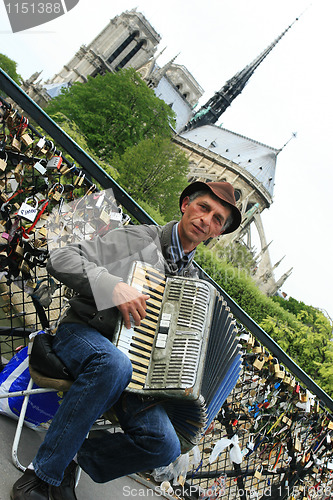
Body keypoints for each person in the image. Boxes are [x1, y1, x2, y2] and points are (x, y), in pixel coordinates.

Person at [11, 181, 241, 500]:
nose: (207, 220)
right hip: (83, 334)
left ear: (217, 233)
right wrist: (111, 285)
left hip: (135, 377)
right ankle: (41, 475)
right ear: (186, 203)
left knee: (166, 444)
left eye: (218, 219)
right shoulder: (138, 238)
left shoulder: (192, 284)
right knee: (114, 365)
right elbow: (60, 259)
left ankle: (70, 461)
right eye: (204, 208)